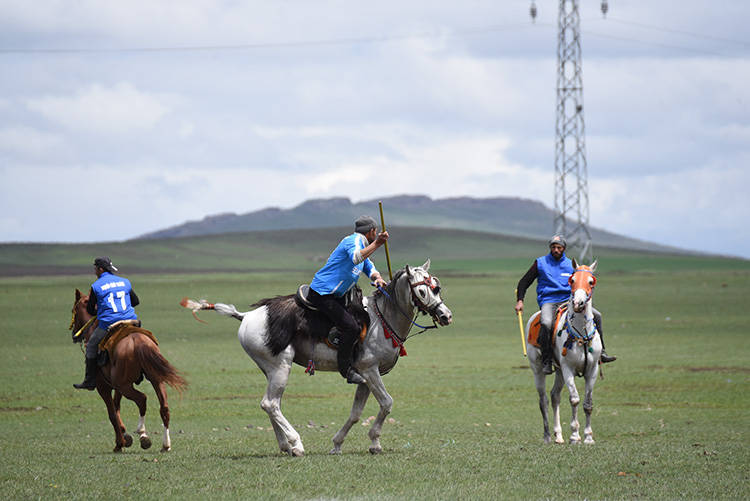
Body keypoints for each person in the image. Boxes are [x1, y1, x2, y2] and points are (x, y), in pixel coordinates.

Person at [514, 235, 616, 375]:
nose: (556, 250)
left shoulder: (572, 266)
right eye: (553, 247)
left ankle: (601, 353)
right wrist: (520, 300)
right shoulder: (540, 263)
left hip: (568, 301)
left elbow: (582, 284)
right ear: (550, 248)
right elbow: (524, 282)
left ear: (564, 249)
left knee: (597, 315)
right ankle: (547, 360)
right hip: (549, 301)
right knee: (545, 323)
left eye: (559, 247)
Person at [307, 215, 389, 384]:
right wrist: (378, 244)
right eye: (375, 233)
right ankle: (346, 370)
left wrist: (377, 277)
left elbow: (368, 265)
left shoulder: (363, 244)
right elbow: (356, 258)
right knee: (351, 327)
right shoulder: (353, 241)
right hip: (323, 293)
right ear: (372, 232)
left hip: (337, 294)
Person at [73, 257, 140, 390]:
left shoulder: (96, 286)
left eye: (95, 270)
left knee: (91, 346)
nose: (94, 272)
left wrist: (101, 309)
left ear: (100, 269)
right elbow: (136, 301)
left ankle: (90, 381)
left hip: (109, 324)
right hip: (130, 321)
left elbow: (91, 310)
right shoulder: (124, 282)